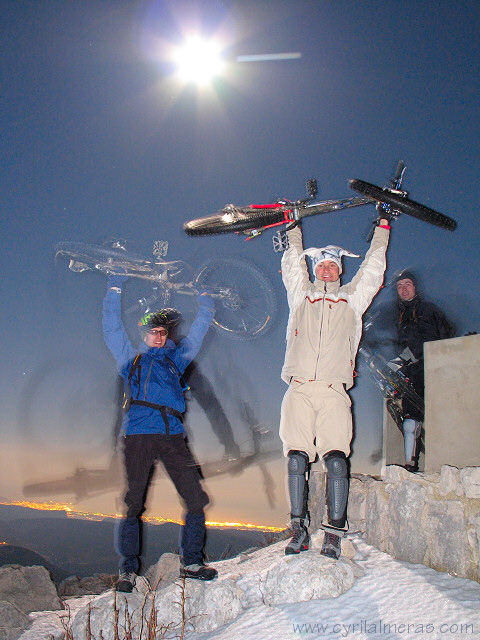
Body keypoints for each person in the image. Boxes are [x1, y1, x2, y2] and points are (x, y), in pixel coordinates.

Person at [278, 215, 390, 559]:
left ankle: (334, 532)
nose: (326, 270)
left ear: (340, 270)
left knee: (337, 460)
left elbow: (372, 272)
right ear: (315, 269)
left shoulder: (351, 300)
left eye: (332, 265)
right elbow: (291, 265)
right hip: (298, 387)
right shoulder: (302, 297)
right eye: (321, 265)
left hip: (333, 390)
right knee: (296, 458)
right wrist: (292, 228)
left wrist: (382, 232)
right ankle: (298, 529)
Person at [102, 274, 218, 591]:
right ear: (146, 335)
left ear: (167, 336)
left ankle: (192, 562)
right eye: (153, 332)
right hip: (139, 434)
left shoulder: (176, 360)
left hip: (173, 437)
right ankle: (128, 571)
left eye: (162, 333)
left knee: (195, 498)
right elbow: (112, 329)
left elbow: (197, 334)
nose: (157, 336)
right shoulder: (132, 359)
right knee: (134, 502)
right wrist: (114, 289)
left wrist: (205, 298)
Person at [394, 270, 455, 471]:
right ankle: (410, 464)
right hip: (412, 373)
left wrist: (403, 358)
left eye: (407, 284)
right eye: (399, 286)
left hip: (433, 370)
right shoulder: (400, 315)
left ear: (415, 287)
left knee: (439, 419)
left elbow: (430, 340)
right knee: (410, 421)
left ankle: (447, 461)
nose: (403, 289)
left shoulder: (427, 310)